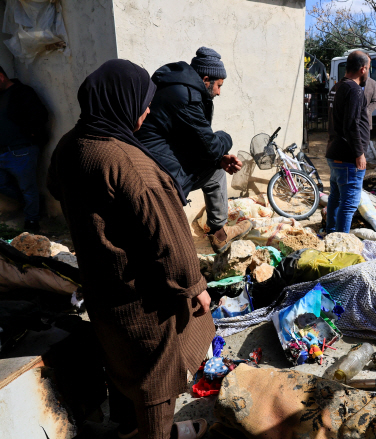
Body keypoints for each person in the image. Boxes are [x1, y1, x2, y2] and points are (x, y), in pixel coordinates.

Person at [47, 60, 213, 439]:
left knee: (121, 363)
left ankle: (128, 430)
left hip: (101, 286)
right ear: (121, 102)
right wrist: (195, 286)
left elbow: (56, 187)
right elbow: (169, 240)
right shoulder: (129, 164)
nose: (148, 111)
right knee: (157, 379)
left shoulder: (70, 145)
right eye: (143, 103)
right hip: (143, 299)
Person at [135, 47, 249, 255]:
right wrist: (226, 138)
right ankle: (218, 235)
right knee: (175, 251)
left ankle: (219, 233)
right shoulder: (186, 97)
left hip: (155, 160)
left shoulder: (175, 85)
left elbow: (194, 141)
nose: (219, 92)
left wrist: (218, 158)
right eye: (218, 86)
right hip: (158, 172)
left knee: (216, 169)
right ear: (206, 79)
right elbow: (211, 146)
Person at [325, 50, 370, 233]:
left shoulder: (337, 87)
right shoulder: (353, 90)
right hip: (348, 157)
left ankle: (330, 234)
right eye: (368, 68)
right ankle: (340, 241)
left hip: (335, 152)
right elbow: (351, 125)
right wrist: (359, 153)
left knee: (335, 199)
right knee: (349, 203)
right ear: (362, 69)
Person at [0, 66, 48, 231]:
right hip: (3, 151)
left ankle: (32, 220)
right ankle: (34, 204)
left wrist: (31, 134)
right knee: (5, 185)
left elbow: (40, 115)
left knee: (28, 188)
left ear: (1, 77)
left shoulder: (23, 92)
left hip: (21, 150)